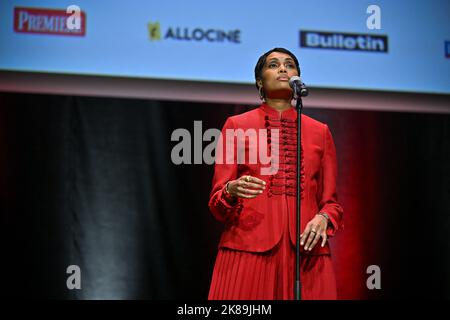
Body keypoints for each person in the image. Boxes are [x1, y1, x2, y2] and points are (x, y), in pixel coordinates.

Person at [207, 48, 344, 300]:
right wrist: (230, 190)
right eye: (273, 64)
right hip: (247, 248)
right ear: (260, 81)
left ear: (297, 79)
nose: (283, 69)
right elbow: (217, 203)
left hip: (306, 254)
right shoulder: (237, 125)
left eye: (289, 65)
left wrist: (323, 218)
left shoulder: (320, 132)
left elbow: (331, 202)